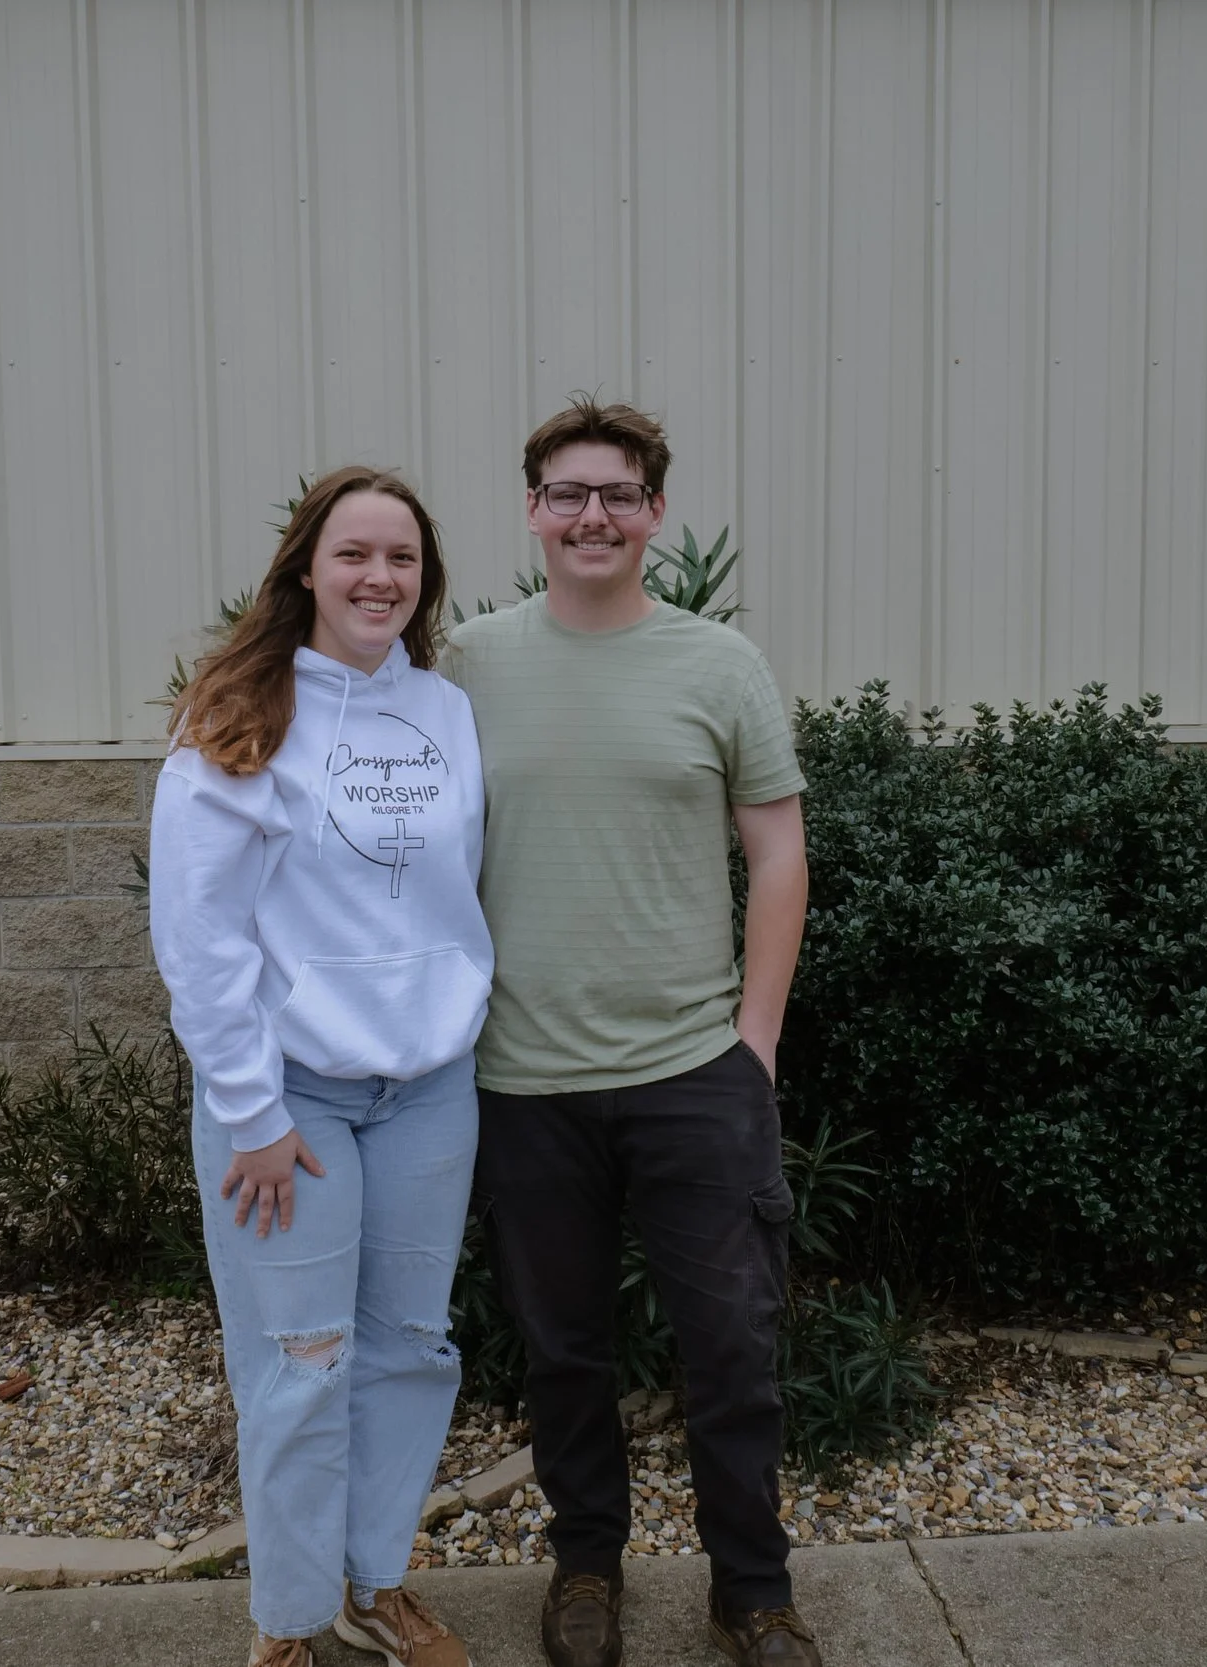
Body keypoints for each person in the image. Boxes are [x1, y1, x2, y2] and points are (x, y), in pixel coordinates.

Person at [442, 399, 819, 1667]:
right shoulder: (467, 665)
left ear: (655, 512)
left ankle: (751, 1591)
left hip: (691, 1071)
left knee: (732, 1349)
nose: (590, 514)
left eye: (616, 493)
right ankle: (585, 1570)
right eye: (566, 493)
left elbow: (776, 850)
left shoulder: (719, 665)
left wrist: (752, 1037)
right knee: (563, 1352)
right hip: (522, 1077)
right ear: (534, 511)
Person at [151, 465, 490, 1667]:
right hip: (287, 1101)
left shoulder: (444, 712)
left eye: (401, 559)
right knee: (301, 1363)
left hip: (428, 1094)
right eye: (354, 554)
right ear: (305, 567)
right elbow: (198, 938)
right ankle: (288, 1623)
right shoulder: (245, 708)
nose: (378, 578)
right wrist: (247, 1110)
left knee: (408, 1345)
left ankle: (373, 1585)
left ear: (423, 580)